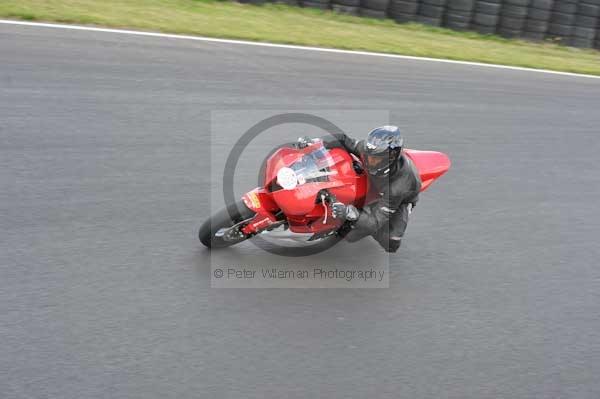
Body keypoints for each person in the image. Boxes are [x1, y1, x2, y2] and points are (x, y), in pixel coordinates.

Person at [322, 126, 421, 253]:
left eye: (375, 159)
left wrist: (350, 213)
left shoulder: (398, 188)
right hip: (377, 182)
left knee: (389, 242)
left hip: (397, 198)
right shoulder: (369, 151)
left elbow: (375, 220)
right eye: (368, 157)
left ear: (390, 158)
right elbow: (344, 140)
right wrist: (316, 143)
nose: (369, 161)